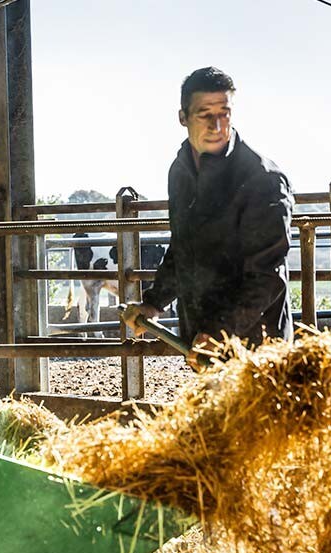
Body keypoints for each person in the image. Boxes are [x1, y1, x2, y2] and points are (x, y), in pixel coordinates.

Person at [122, 66, 294, 369]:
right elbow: (183, 248)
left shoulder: (261, 179)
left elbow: (267, 274)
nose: (217, 125)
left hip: (256, 347)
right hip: (203, 339)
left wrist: (220, 332)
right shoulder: (180, 172)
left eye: (224, 113)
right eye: (205, 114)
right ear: (183, 117)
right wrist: (153, 302)